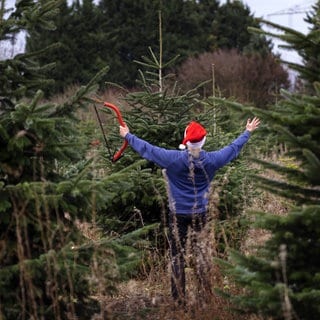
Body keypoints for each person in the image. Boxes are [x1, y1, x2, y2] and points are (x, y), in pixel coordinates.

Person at [119, 117, 260, 305]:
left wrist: (128, 135)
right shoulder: (213, 160)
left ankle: (179, 302)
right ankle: (205, 298)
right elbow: (233, 149)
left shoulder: (173, 159)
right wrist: (247, 132)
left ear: (186, 141)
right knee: (202, 255)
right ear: (203, 142)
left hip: (177, 216)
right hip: (201, 215)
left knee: (177, 257)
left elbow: (148, 149)